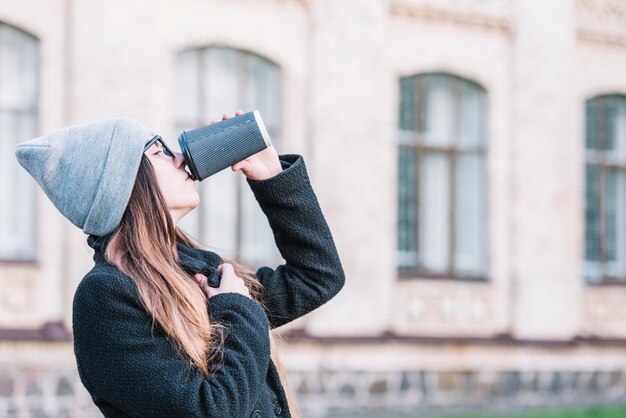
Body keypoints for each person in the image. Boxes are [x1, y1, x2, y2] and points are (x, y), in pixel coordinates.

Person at [14, 110, 346, 418]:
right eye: (159, 152)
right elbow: (209, 411)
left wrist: (272, 177)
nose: (179, 158)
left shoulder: (196, 272)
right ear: (124, 183)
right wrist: (236, 307)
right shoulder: (106, 297)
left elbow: (317, 276)